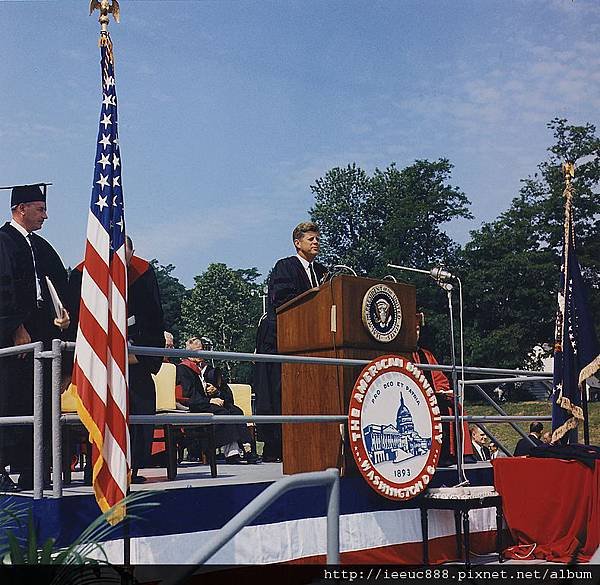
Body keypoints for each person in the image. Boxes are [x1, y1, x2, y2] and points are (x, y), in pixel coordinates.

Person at [69, 236, 165, 483]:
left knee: (141, 405)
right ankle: (96, 468)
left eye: (127, 257)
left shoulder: (142, 273)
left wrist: (142, 356)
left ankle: (132, 467)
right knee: (98, 411)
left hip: (134, 357)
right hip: (98, 361)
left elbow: (154, 319)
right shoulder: (83, 273)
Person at [0, 183, 70, 490]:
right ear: (20, 209)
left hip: (42, 334)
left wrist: (64, 316)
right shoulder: (2, 241)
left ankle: (34, 469)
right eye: (40, 209)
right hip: (11, 338)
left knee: (40, 402)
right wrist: (15, 327)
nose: (45, 215)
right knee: (8, 401)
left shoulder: (42, 248)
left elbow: (59, 289)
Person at [253, 221, 327, 462]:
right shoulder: (286, 266)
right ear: (298, 243)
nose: (316, 242)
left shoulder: (322, 271)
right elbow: (282, 300)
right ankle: (276, 445)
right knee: (277, 390)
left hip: (308, 341)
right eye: (311, 239)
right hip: (279, 336)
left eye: (317, 238)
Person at [177, 337, 259, 464]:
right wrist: (209, 401)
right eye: (198, 351)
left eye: (203, 350)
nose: (202, 353)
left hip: (213, 403)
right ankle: (231, 452)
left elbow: (228, 395)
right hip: (197, 405)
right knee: (224, 414)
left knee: (236, 411)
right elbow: (188, 395)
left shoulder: (212, 371)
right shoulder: (184, 369)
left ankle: (248, 448)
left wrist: (217, 392)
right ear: (189, 353)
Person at [410, 312, 472, 467]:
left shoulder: (426, 355)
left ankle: (459, 454)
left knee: (455, 408)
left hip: (434, 396)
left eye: (418, 330)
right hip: (416, 399)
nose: (416, 333)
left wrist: (444, 391)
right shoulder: (403, 355)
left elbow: (440, 379)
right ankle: (437, 455)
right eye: (413, 330)